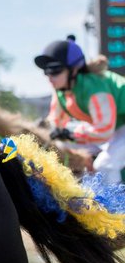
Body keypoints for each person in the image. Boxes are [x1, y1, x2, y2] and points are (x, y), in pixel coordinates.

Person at [36, 35, 125, 184]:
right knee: (62, 144)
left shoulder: (94, 88)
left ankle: (116, 206)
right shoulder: (61, 90)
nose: (49, 77)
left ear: (74, 69)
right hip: (116, 126)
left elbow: (104, 131)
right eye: (46, 71)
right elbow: (55, 124)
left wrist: (71, 133)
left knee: (104, 166)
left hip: (115, 127)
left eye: (55, 70)